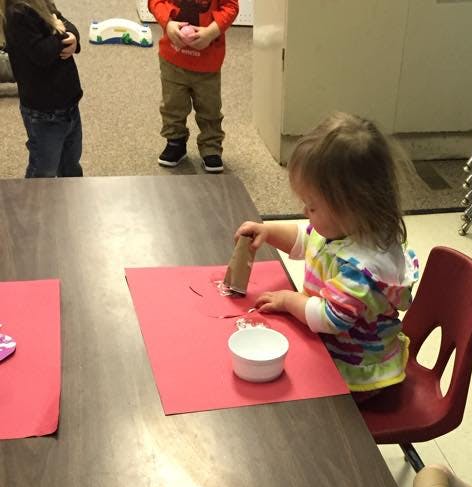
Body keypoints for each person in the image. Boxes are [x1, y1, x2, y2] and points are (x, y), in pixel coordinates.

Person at [236, 112, 419, 396]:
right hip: (327, 346)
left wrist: (288, 300)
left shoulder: (362, 267)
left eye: (311, 207)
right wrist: (268, 231)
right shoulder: (343, 227)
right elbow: (304, 240)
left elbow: (331, 319)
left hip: (358, 372)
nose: (304, 213)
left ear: (352, 206)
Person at [148, 0, 238, 174]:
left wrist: (211, 32)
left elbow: (231, 7)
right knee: (172, 105)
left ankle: (211, 147)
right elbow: (155, 2)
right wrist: (168, 23)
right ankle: (175, 141)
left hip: (208, 63)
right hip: (173, 59)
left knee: (209, 108)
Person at [1, 0, 82, 178]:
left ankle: (70, 200)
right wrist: (61, 33)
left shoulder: (41, 2)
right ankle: (32, 205)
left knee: (71, 163)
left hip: (69, 103)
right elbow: (42, 53)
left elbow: (63, 21)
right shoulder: (17, 13)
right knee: (43, 170)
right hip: (44, 112)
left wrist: (72, 36)